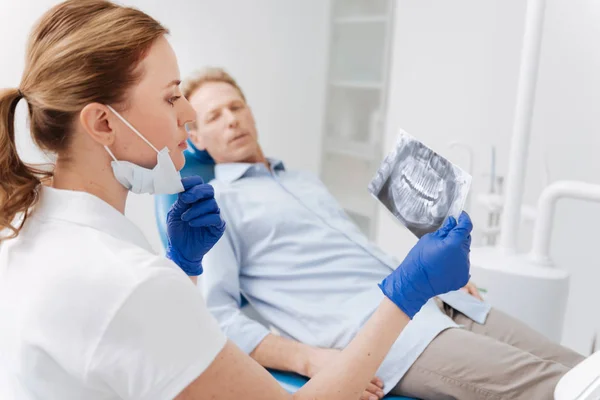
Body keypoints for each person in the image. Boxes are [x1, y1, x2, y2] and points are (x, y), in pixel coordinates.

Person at [0, 1, 473, 399]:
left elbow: (151, 349)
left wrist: (182, 267)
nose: (188, 115)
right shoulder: (127, 282)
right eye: (171, 99)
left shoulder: (24, 232)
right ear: (103, 124)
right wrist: (408, 291)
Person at [182, 67, 586, 400]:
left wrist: (441, 280)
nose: (231, 119)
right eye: (213, 116)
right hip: (387, 334)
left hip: (441, 298)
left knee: (580, 368)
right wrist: (313, 361)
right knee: (555, 388)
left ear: (251, 112)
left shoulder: (303, 180)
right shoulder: (214, 204)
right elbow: (218, 316)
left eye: (236, 106)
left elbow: (359, 255)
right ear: (195, 138)